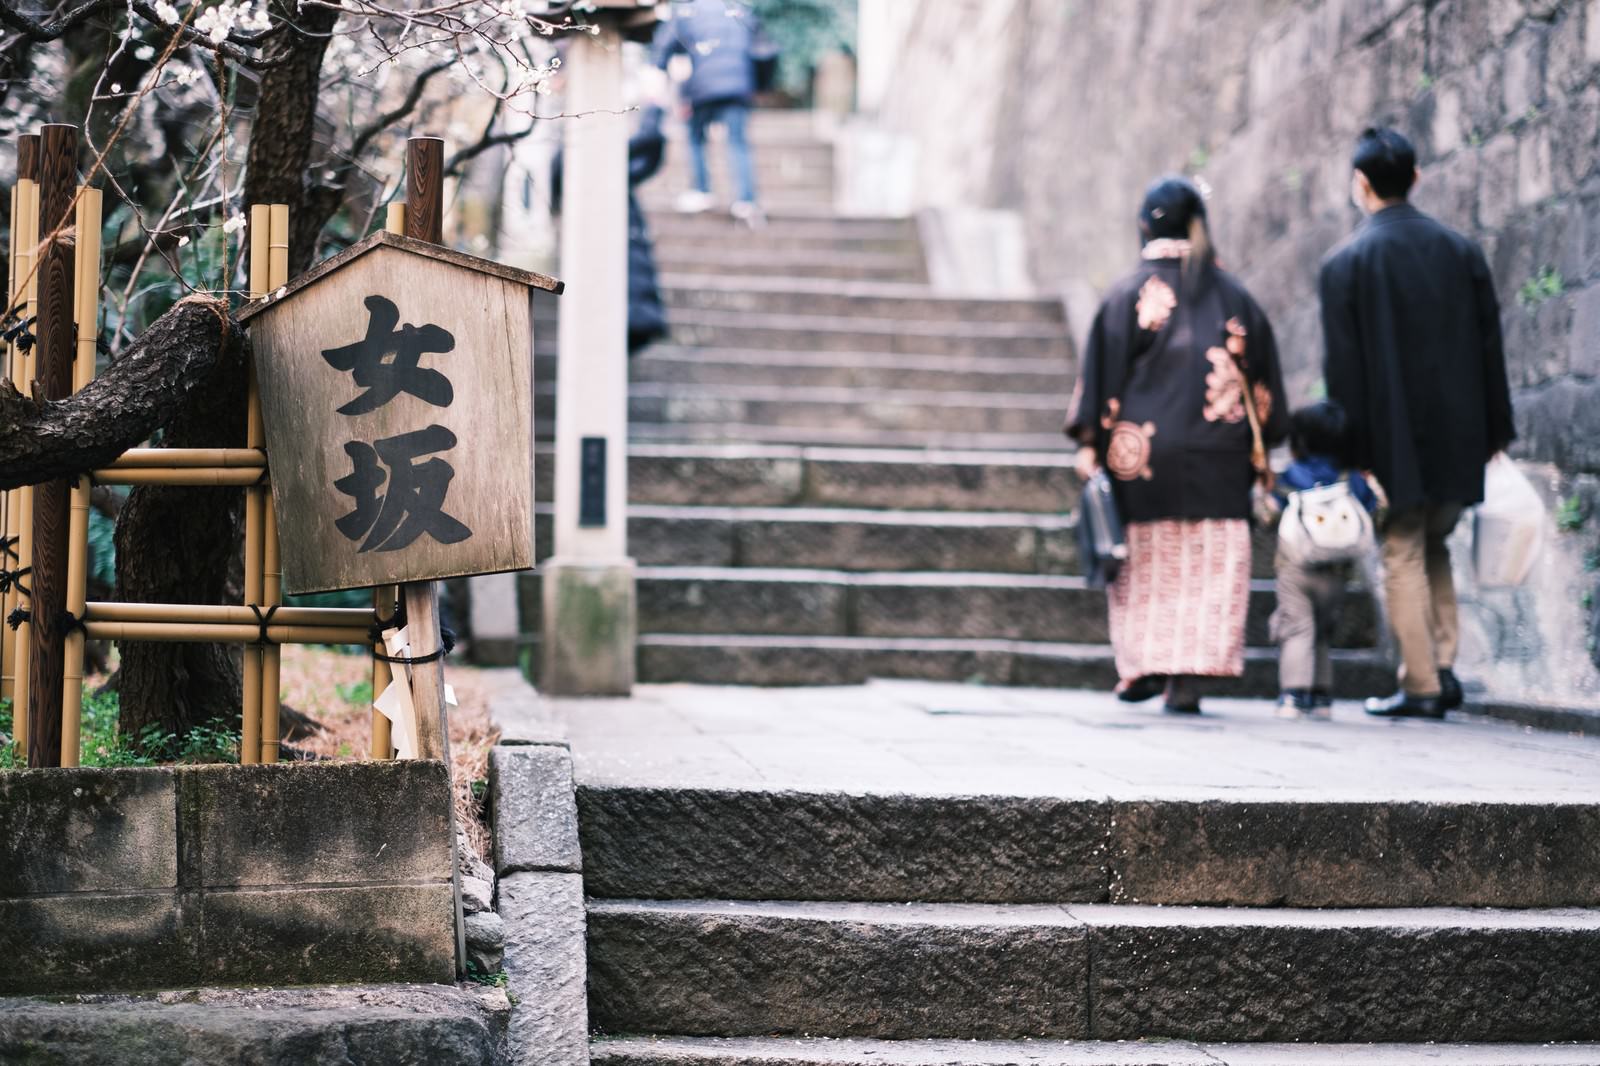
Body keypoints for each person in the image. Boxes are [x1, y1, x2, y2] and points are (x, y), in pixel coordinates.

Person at [1066, 177, 1289, 715]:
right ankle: (1188, 675)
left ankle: (1146, 662)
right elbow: (1263, 390)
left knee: (1146, 567)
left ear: (1145, 224)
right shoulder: (1235, 296)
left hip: (1143, 458)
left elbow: (1102, 378)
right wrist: (1265, 452)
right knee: (1209, 568)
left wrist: (1090, 441)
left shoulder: (1125, 295)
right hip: (1221, 457)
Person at [1320, 127, 1516, 719]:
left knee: (1401, 547)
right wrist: (1496, 434)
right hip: (1462, 434)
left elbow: (1346, 374)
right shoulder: (1462, 251)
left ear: (1361, 185)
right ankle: (1446, 665)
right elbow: (1490, 349)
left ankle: (1422, 682)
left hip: (1392, 441)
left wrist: (1352, 454)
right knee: (1436, 543)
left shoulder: (1346, 264)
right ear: (1417, 177)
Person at [1270, 401, 1379, 721]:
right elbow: (1371, 505)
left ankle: (1293, 696)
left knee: (1297, 630)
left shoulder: (1291, 475)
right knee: (1321, 634)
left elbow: (1272, 509)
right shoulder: (1351, 477)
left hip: (1297, 567)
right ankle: (1322, 697)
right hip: (1337, 569)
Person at [551, 104, 669, 354]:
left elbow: (649, 150)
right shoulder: (583, 166)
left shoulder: (605, 172)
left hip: (630, 285)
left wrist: (654, 112)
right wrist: (654, 107)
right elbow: (647, 146)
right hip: (616, 283)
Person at [653, 0, 765, 222]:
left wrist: (660, 71)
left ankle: (702, 191)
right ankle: (745, 201)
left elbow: (663, 47)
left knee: (696, 139)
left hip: (700, 87)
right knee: (738, 143)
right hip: (738, 87)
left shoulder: (686, 11)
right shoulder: (739, 10)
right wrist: (758, 84)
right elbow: (763, 51)